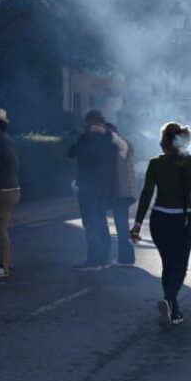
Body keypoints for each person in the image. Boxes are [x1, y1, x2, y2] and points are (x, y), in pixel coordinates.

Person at [132, 122, 191, 330]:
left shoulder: (154, 163)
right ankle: (169, 300)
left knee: (168, 265)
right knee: (179, 266)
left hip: (158, 219)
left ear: (164, 141)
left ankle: (172, 308)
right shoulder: (189, 162)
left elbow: (146, 195)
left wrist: (137, 224)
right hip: (182, 220)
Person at [67, 110, 118, 270]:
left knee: (91, 224)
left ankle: (93, 260)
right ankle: (104, 258)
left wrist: (81, 137)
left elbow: (71, 152)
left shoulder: (86, 138)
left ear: (90, 122)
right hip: (105, 187)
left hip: (88, 187)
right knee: (101, 221)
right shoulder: (109, 138)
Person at [106, 122, 137, 266]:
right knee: (122, 226)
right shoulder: (119, 146)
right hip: (122, 192)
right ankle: (126, 258)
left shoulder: (121, 145)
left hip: (121, 193)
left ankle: (126, 258)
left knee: (122, 227)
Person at [0, 108, 20, 278]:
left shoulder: (2, 141)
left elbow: (12, 165)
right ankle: (6, 262)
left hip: (4, 190)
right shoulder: (5, 139)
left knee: (0, 228)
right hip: (8, 189)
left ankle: (2, 266)